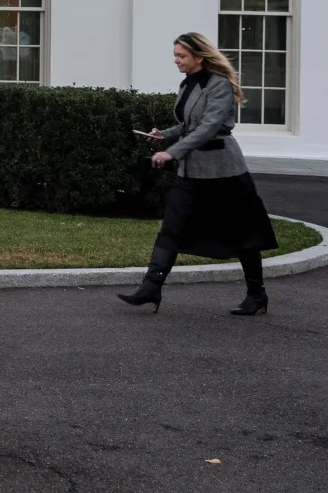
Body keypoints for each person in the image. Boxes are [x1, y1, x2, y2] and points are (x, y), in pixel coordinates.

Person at [118, 32, 279, 316]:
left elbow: (208, 127)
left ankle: (257, 294)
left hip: (224, 172)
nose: (176, 60)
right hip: (191, 172)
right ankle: (151, 287)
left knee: (243, 234)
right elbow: (188, 125)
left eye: (181, 56)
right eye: (175, 55)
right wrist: (164, 136)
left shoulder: (220, 86)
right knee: (171, 226)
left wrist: (172, 152)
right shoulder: (189, 84)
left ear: (199, 57)